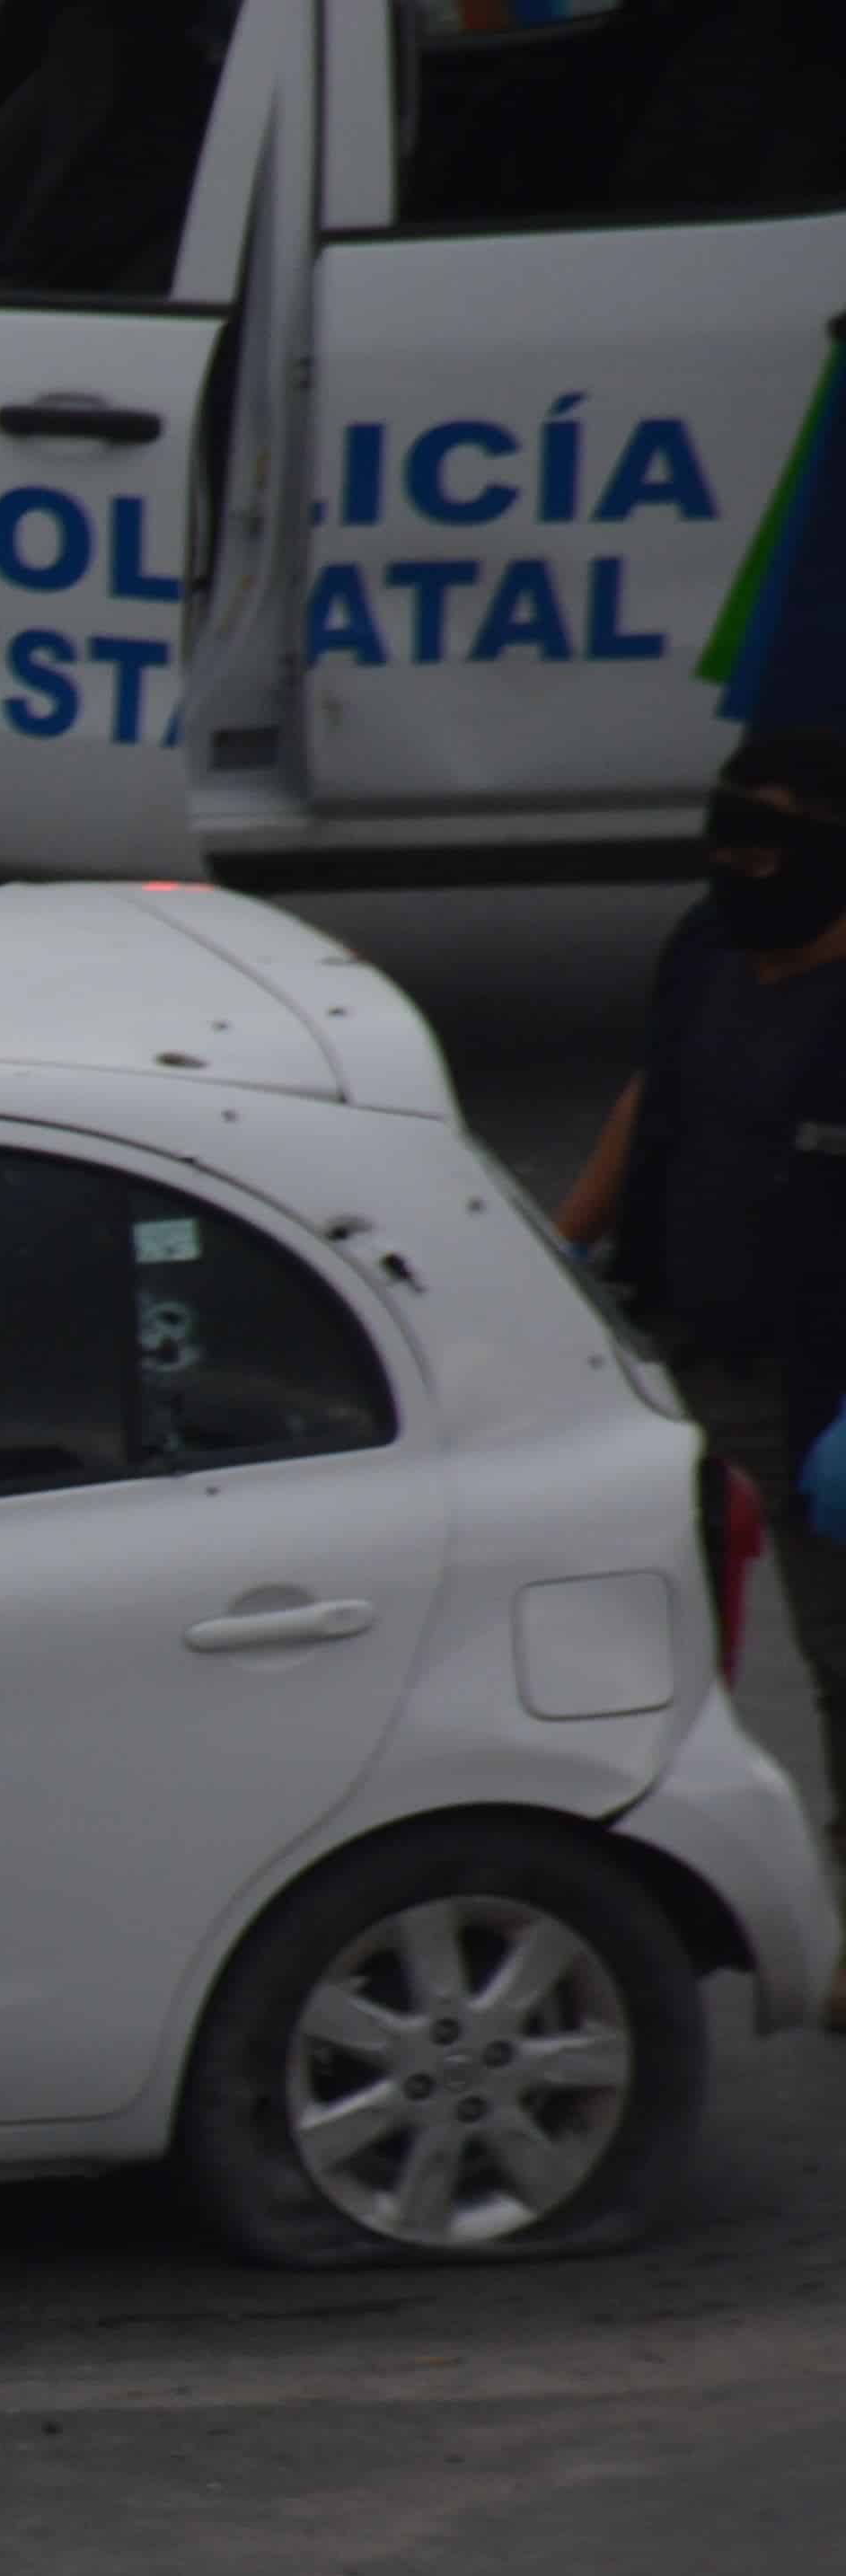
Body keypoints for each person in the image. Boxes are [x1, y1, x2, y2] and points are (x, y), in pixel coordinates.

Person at [556, 722, 846, 2025]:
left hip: (823, 1393)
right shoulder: (709, 947)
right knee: (641, 1642)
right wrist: (564, 1239)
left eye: (779, 830)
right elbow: (653, 1088)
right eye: (733, 821)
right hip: (687, 1361)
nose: (745, 858)